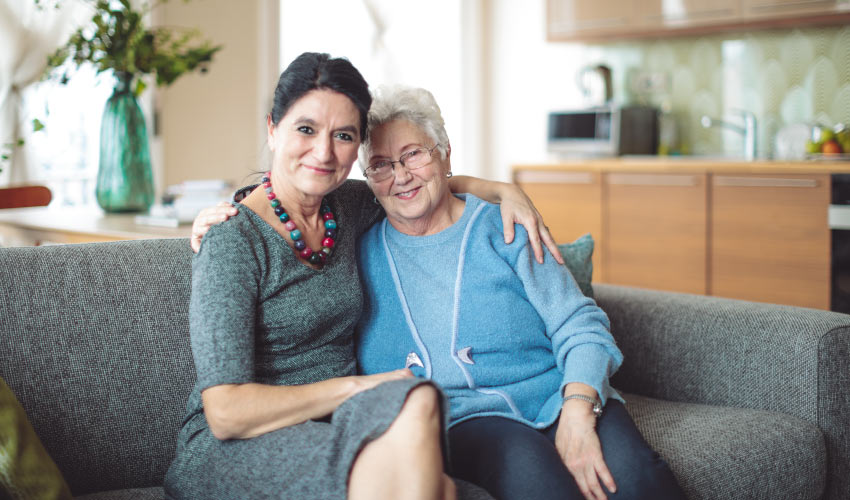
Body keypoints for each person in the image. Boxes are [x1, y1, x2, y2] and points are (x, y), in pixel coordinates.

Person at [166, 52, 561, 500]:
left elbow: (420, 180)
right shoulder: (233, 240)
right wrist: (360, 386)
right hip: (241, 443)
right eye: (306, 129)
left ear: (356, 150)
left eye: (343, 135)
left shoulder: (347, 205)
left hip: (341, 421)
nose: (324, 151)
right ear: (273, 129)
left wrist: (503, 190)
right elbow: (226, 411)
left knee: (419, 397)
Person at [353, 85, 686, 500]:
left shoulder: (504, 226)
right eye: (381, 165)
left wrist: (578, 410)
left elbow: (578, 323)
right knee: (538, 481)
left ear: (445, 153)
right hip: (465, 420)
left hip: (559, 391)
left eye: (414, 155)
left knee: (637, 482)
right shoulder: (360, 252)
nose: (400, 176)